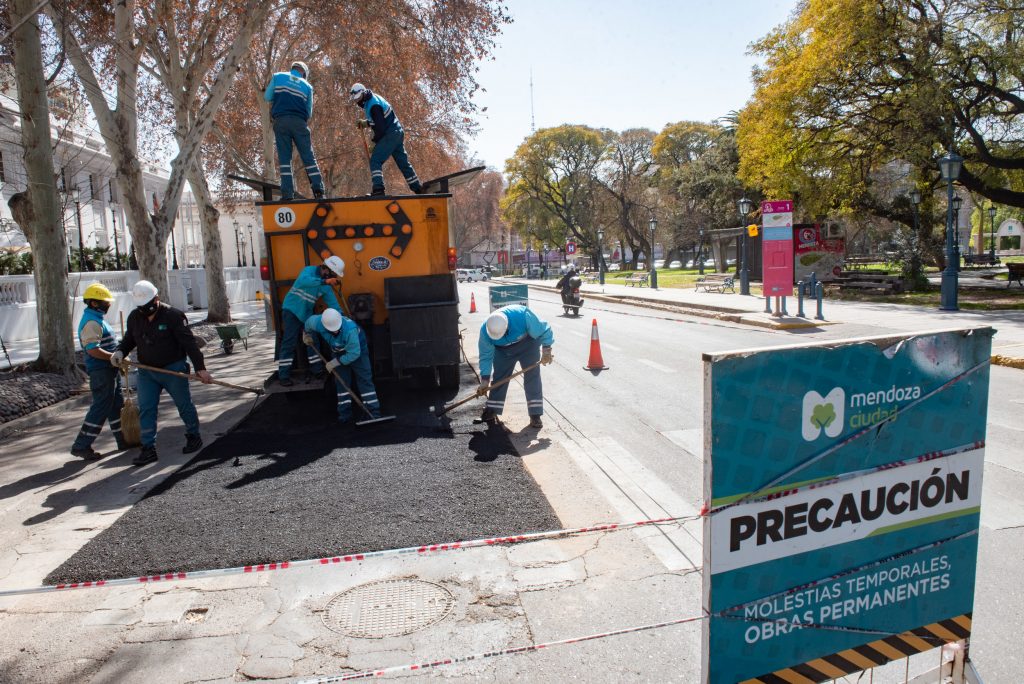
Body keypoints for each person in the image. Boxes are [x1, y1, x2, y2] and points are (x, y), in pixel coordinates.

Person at [111, 280, 212, 466]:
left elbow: (189, 343)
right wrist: (119, 352)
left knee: (184, 404)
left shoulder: (173, 316)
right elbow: (129, 340)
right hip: (147, 372)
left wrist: (201, 368)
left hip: (173, 369)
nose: (145, 311)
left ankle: (193, 435)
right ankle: (148, 448)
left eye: (148, 306)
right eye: (141, 307)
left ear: (156, 299)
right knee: (147, 408)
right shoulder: (135, 317)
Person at [70, 283, 127, 460]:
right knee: (101, 407)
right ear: (94, 303)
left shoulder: (98, 318)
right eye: (105, 302)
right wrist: (113, 357)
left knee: (116, 404)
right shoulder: (92, 322)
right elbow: (93, 350)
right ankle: (81, 445)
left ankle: (123, 438)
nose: (108, 304)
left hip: (110, 369)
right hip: (101, 371)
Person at [476, 305, 554, 429]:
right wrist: (484, 380)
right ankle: (492, 409)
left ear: (507, 327)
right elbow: (486, 357)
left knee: (532, 376)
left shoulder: (522, 316)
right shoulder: (485, 332)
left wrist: (546, 350)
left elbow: (544, 330)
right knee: (500, 378)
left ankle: (535, 414)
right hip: (503, 351)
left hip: (528, 344)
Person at [303, 309, 381, 423]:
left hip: (358, 352)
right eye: (332, 330)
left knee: (364, 380)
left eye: (337, 329)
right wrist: (306, 335)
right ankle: (345, 414)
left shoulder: (350, 329)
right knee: (341, 382)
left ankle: (374, 413)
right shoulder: (317, 322)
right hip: (338, 352)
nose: (335, 332)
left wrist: (335, 362)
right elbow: (307, 324)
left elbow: (354, 354)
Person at [277, 256, 345, 386]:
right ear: (326, 269)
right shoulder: (308, 271)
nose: (333, 277)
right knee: (289, 342)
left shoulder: (325, 286)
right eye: (333, 274)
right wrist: (324, 282)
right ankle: (283, 376)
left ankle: (317, 370)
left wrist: (343, 318)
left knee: (313, 340)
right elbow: (304, 281)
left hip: (306, 314)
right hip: (291, 310)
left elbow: (333, 304)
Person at [264, 61, 325, 201]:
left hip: (280, 122)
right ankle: (319, 191)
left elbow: (267, 97)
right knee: (308, 157)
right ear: (303, 73)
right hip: (299, 123)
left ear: (292, 68)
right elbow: (309, 113)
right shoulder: (307, 86)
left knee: (285, 160)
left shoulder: (278, 77)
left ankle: (287, 194)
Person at [349, 83, 423, 196]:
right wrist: (366, 123)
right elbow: (379, 120)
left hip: (390, 134)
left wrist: (375, 143)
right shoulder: (373, 99)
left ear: (363, 94)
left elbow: (380, 128)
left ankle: (378, 189)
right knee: (403, 162)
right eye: (355, 99)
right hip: (397, 133)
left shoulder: (373, 105)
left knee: (375, 160)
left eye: (358, 98)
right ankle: (418, 188)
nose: (357, 101)